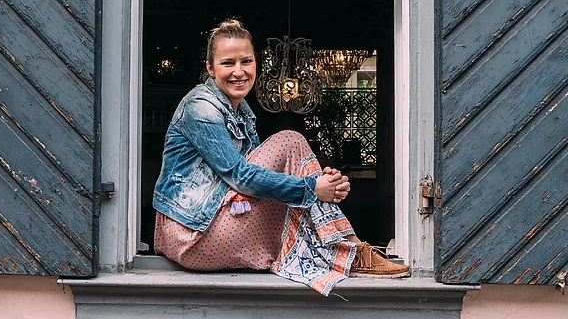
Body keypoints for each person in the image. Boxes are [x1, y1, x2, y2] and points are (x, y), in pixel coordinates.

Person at [153, 19, 410, 295]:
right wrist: (312, 188)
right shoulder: (200, 107)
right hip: (191, 237)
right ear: (210, 68)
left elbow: (263, 177)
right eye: (228, 63)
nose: (239, 72)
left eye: (246, 61)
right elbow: (242, 176)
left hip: (214, 228)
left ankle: (346, 247)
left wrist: (321, 185)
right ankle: (348, 250)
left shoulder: (241, 111)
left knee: (292, 176)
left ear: (256, 64)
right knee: (290, 140)